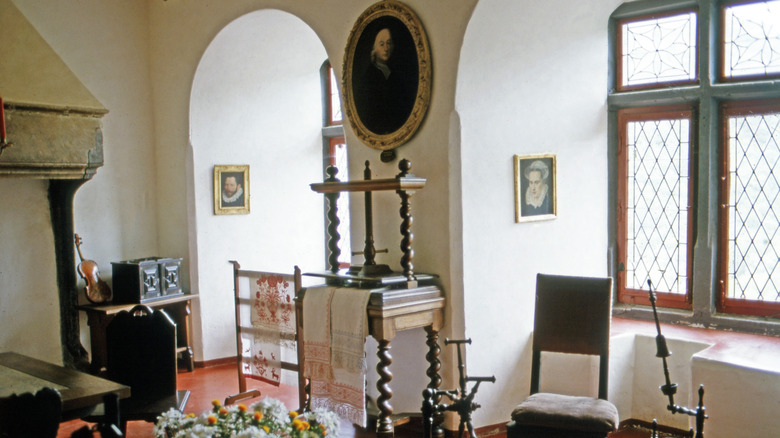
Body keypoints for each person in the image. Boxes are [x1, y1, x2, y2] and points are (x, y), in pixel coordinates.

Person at [354, 26, 415, 135]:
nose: (386, 48)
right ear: (374, 48)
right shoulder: (368, 77)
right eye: (381, 44)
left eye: (389, 43)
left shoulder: (396, 74)